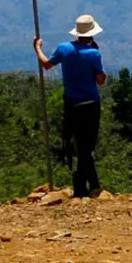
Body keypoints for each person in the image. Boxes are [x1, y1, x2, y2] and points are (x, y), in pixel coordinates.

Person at [34, 15, 108, 198]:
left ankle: (91, 185)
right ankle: (83, 186)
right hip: (91, 104)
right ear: (91, 35)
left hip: (71, 104)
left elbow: (46, 64)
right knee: (87, 146)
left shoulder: (64, 49)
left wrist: (37, 47)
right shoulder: (94, 54)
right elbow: (101, 80)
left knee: (78, 144)